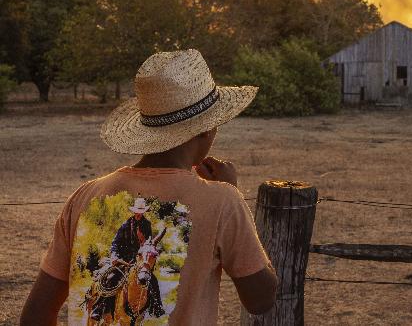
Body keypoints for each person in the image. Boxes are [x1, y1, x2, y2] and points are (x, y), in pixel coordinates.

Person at [20, 49, 278, 325]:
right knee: (106, 281)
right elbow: (261, 299)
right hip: (121, 259)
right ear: (206, 128)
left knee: (149, 286)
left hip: (138, 260)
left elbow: (35, 314)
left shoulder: (86, 195)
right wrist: (232, 193)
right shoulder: (222, 199)